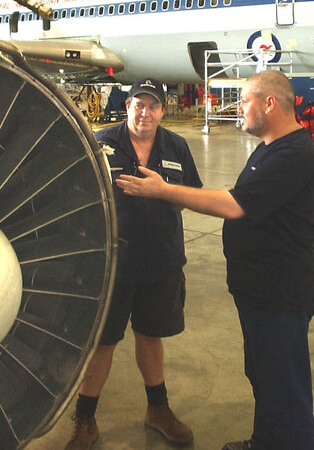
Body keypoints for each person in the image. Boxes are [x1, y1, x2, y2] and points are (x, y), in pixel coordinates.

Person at [116, 70, 314, 450]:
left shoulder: (292, 155)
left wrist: (163, 190)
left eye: (244, 101)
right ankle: (266, 442)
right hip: (260, 292)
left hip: (281, 294)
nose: (238, 108)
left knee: (285, 389)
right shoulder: (269, 147)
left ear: (269, 103)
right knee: (265, 378)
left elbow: (234, 204)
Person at [66, 77, 201, 449]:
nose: (145, 113)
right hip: (113, 264)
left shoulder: (178, 146)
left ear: (162, 110)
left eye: (152, 105)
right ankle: (85, 419)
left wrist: (166, 192)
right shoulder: (100, 144)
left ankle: (157, 410)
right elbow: (76, 195)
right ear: (127, 107)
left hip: (161, 261)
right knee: (103, 342)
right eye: (138, 105)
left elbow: (193, 194)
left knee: (150, 335)